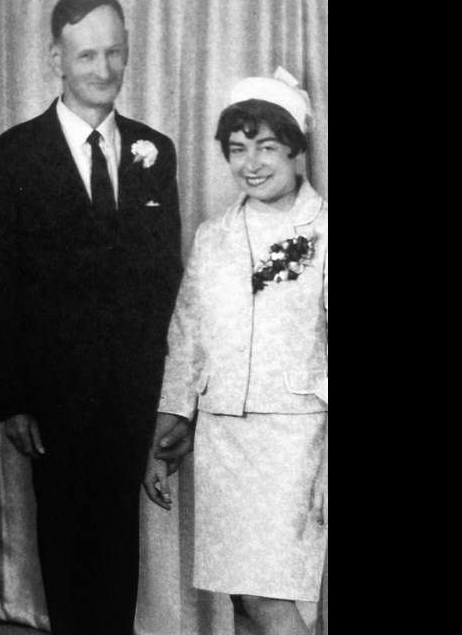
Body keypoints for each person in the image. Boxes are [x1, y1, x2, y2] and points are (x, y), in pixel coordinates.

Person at [0, 0, 183, 633]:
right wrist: (14, 399)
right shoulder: (11, 156)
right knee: (65, 548)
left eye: (114, 50)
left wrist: (168, 394)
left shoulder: (155, 149)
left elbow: (165, 279)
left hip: (131, 394)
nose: (104, 66)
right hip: (54, 402)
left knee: (119, 547)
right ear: (54, 59)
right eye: (87, 53)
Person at [144, 68, 328, 635]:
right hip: (223, 436)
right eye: (237, 149)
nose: (251, 163)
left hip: (293, 438)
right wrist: (168, 429)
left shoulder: (323, 231)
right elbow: (188, 340)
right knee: (243, 602)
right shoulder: (212, 236)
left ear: (296, 150)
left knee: (276, 600)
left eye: (267, 147)